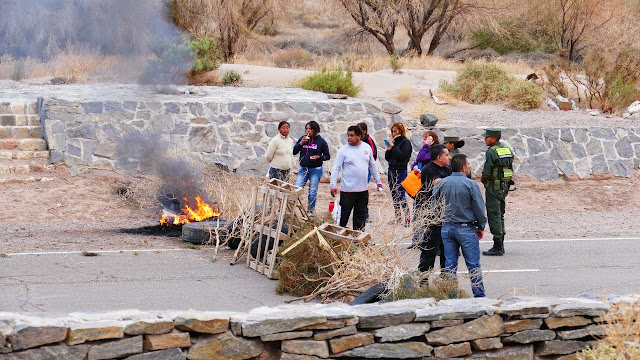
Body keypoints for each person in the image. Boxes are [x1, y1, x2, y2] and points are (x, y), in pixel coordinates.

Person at [433, 154, 488, 298]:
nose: (470, 167)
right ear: (464, 168)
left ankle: (451, 297)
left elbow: (434, 205)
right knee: (473, 265)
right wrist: (481, 226)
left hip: (447, 227)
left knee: (450, 264)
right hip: (466, 228)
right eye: (469, 165)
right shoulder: (470, 184)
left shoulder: (442, 183)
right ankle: (479, 296)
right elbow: (479, 209)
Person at [330, 126, 383, 230]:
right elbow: (336, 167)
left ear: (359, 136)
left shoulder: (366, 147)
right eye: (348, 135)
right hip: (347, 190)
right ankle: (338, 239)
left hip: (362, 190)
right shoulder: (343, 150)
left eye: (352, 135)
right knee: (343, 218)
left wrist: (378, 182)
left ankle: (358, 241)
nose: (349, 138)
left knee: (360, 218)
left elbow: (372, 165)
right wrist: (333, 185)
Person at [414, 144, 452, 272]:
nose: (449, 157)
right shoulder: (428, 169)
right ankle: (423, 279)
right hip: (433, 216)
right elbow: (437, 184)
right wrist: (450, 182)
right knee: (429, 249)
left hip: (447, 214)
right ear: (439, 157)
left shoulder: (448, 170)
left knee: (447, 250)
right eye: (446, 155)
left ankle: (445, 279)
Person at [480, 128, 514, 256]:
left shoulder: (491, 152)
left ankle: (498, 246)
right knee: (500, 214)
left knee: (494, 215)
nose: (485, 139)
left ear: (493, 139)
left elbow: (486, 172)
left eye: (487, 137)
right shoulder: (506, 149)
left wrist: (483, 181)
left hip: (493, 187)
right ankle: (500, 243)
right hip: (503, 187)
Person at [293, 120, 331, 217]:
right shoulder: (303, 139)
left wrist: (318, 157)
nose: (308, 131)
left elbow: (327, 156)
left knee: (312, 191)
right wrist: (300, 143)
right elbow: (294, 151)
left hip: (316, 169)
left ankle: (310, 212)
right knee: (296, 189)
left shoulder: (321, 142)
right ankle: (291, 210)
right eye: (306, 129)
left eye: (310, 129)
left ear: (315, 130)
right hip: (303, 169)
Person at [384, 122, 412, 226]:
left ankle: (407, 218)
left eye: (394, 131)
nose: (393, 133)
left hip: (400, 170)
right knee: (394, 194)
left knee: (401, 194)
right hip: (391, 170)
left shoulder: (406, 143)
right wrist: (389, 150)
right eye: (392, 131)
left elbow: (402, 156)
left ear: (400, 131)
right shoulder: (394, 142)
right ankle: (398, 217)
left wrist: (394, 147)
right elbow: (388, 158)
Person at [357, 122, 378, 222]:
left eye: (359, 130)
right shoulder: (356, 141)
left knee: (362, 192)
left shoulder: (369, 141)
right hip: (357, 171)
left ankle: (365, 214)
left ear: (364, 131)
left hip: (366, 171)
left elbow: (373, 156)